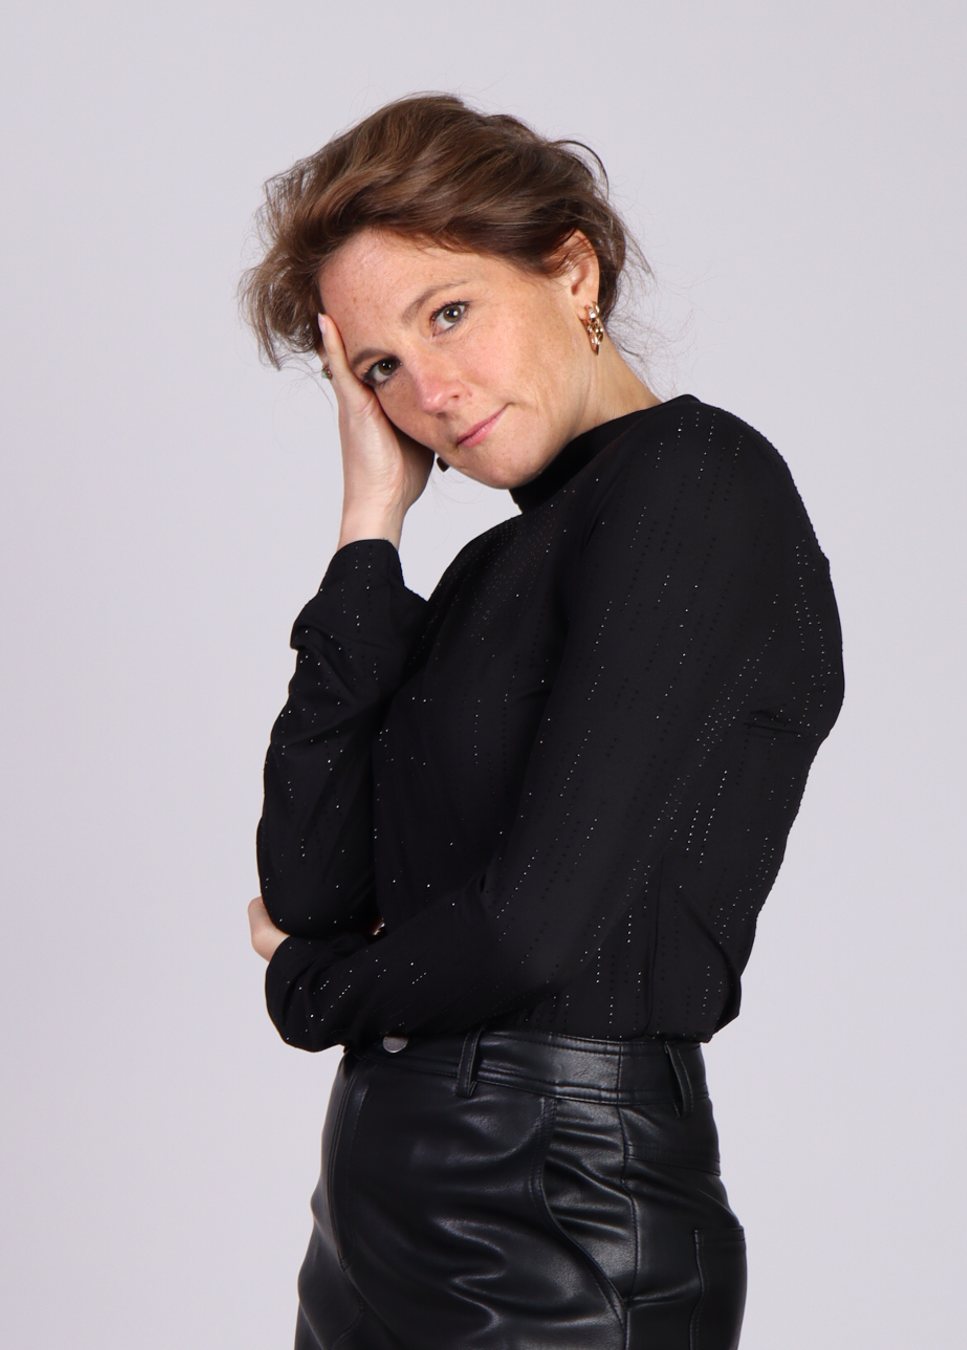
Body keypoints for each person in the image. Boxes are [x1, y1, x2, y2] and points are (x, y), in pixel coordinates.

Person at [240, 92, 845, 1350]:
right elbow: (309, 880)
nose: (429, 390)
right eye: (378, 368)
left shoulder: (695, 484)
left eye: (448, 313)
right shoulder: (484, 574)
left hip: (558, 1208)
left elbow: (528, 931)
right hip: (373, 1202)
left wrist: (310, 986)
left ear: (571, 271)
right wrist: (369, 525)